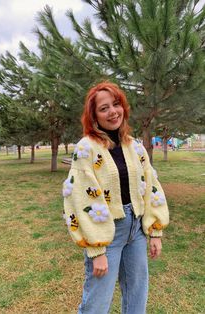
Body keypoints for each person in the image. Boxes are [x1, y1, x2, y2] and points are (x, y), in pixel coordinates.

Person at [62, 81, 169, 314]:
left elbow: (151, 185)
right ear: (94, 116)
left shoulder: (135, 146)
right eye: (104, 108)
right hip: (107, 232)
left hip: (137, 229)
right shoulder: (86, 148)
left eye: (116, 104)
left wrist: (155, 231)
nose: (113, 111)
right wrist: (97, 249)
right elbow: (80, 198)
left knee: (136, 295)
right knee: (97, 302)